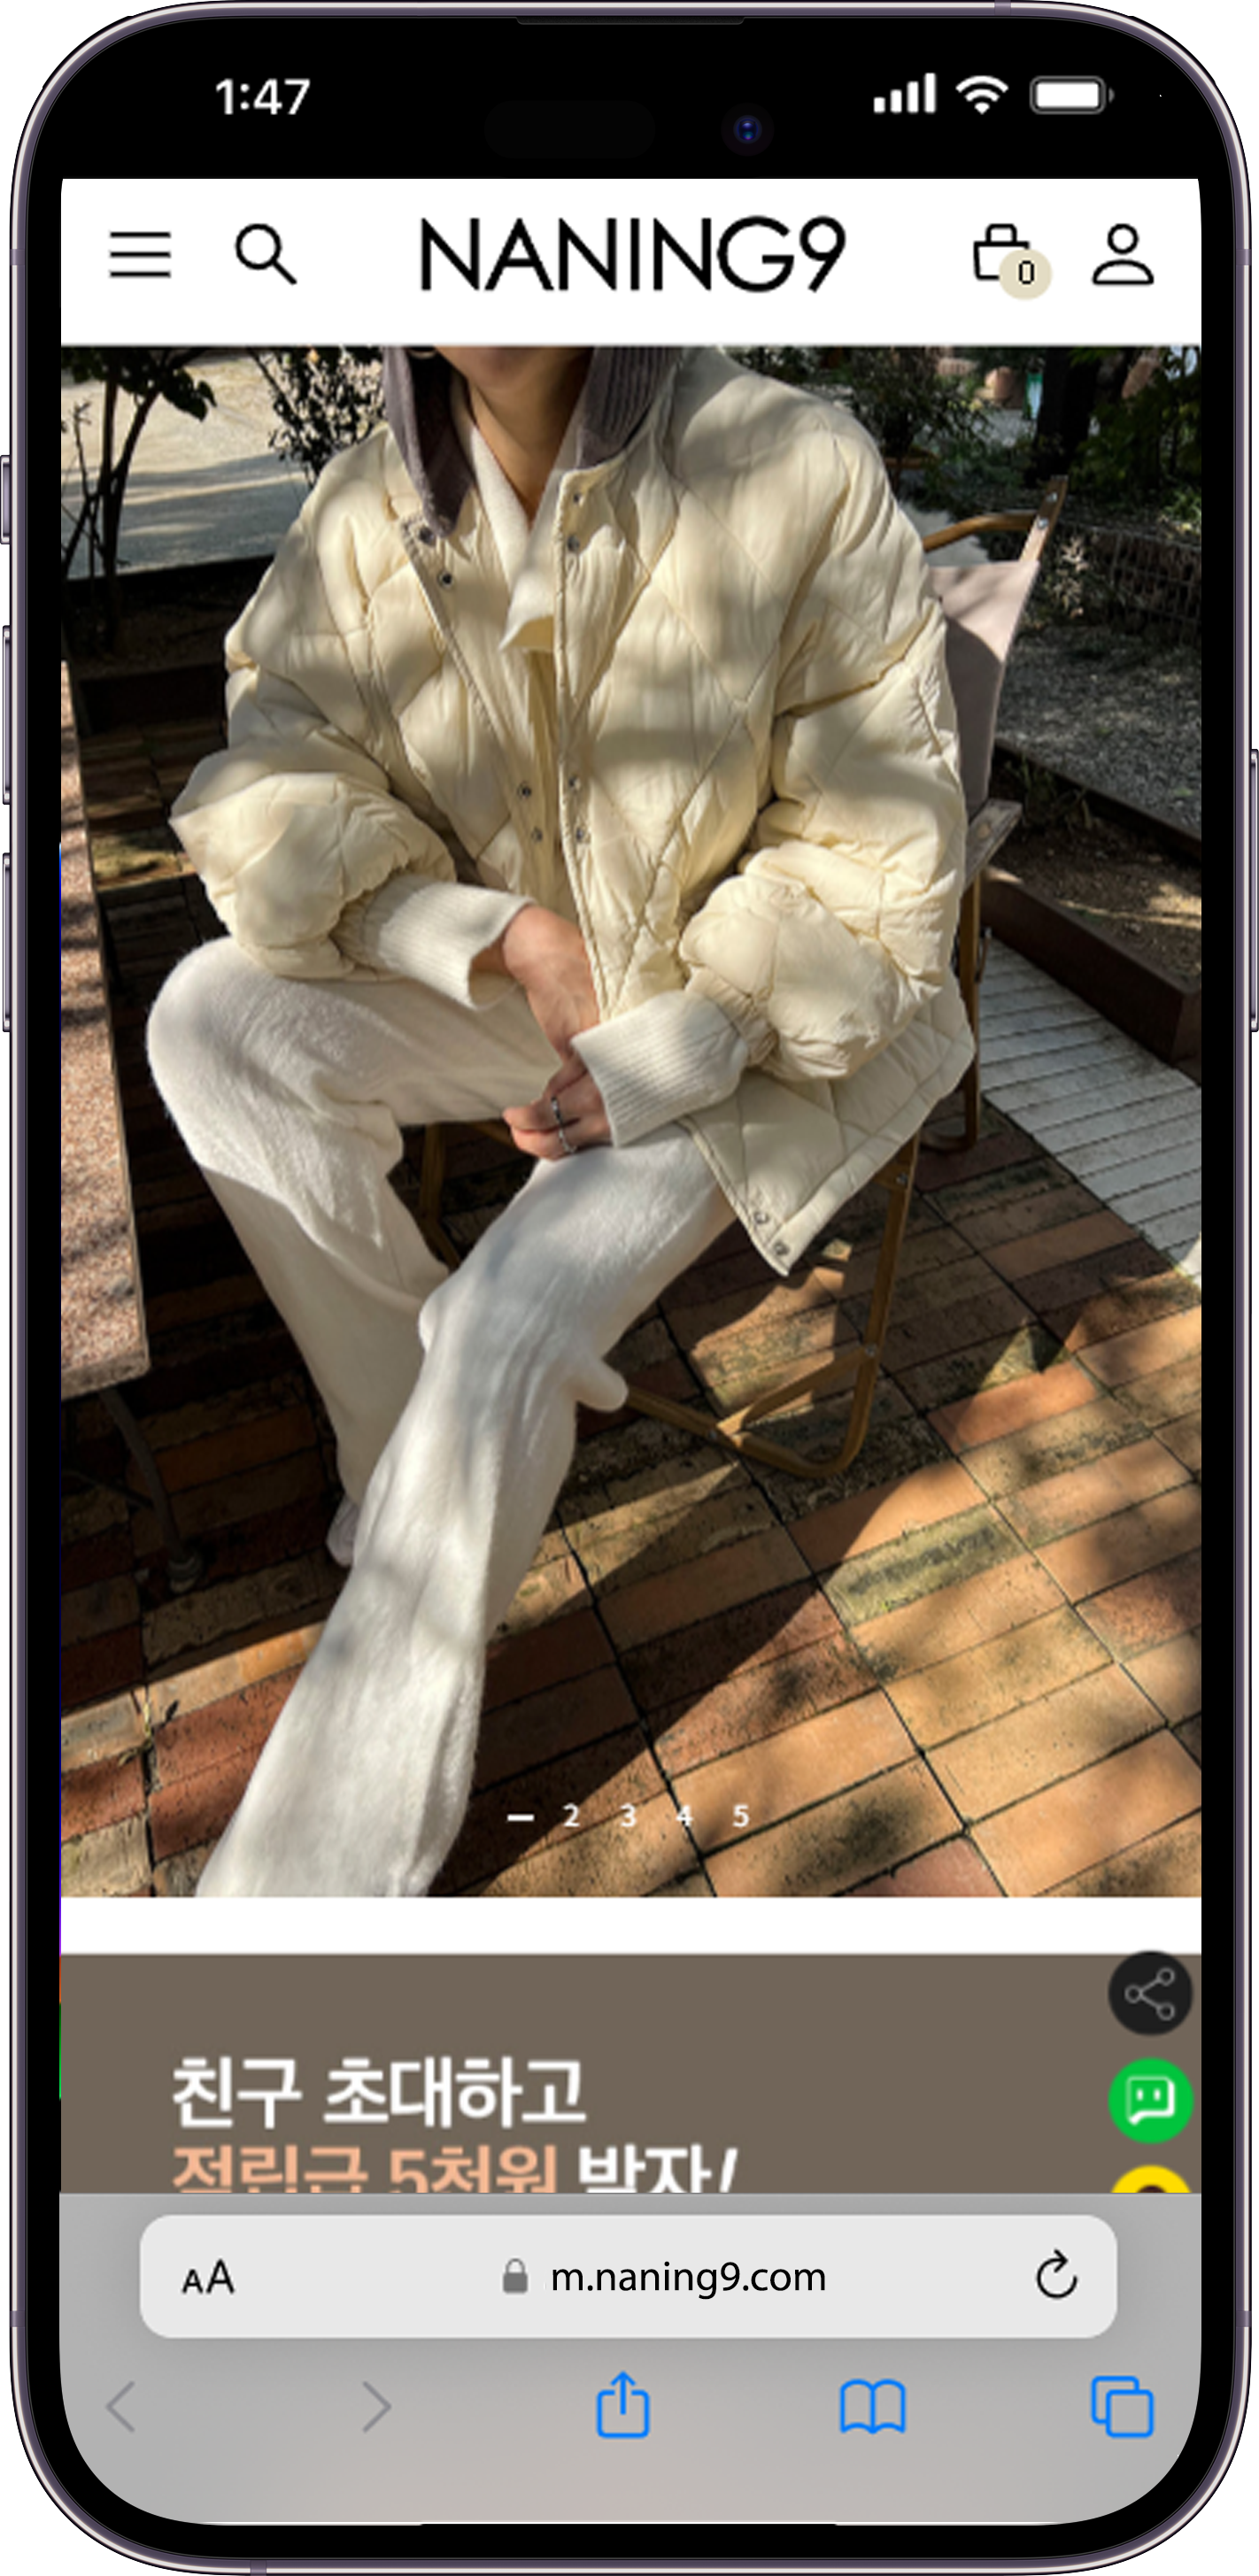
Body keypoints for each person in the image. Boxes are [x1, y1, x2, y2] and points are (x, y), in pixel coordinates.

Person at [147, 343, 974, 1898]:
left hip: (757, 1016)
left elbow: (876, 856)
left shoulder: (793, 462)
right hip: (540, 979)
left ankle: (294, 1912)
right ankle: (415, 1452)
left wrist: (683, 1038)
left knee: (505, 1321)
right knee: (211, 1020)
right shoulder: (366, 506)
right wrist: (487, 931)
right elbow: (269, 772)